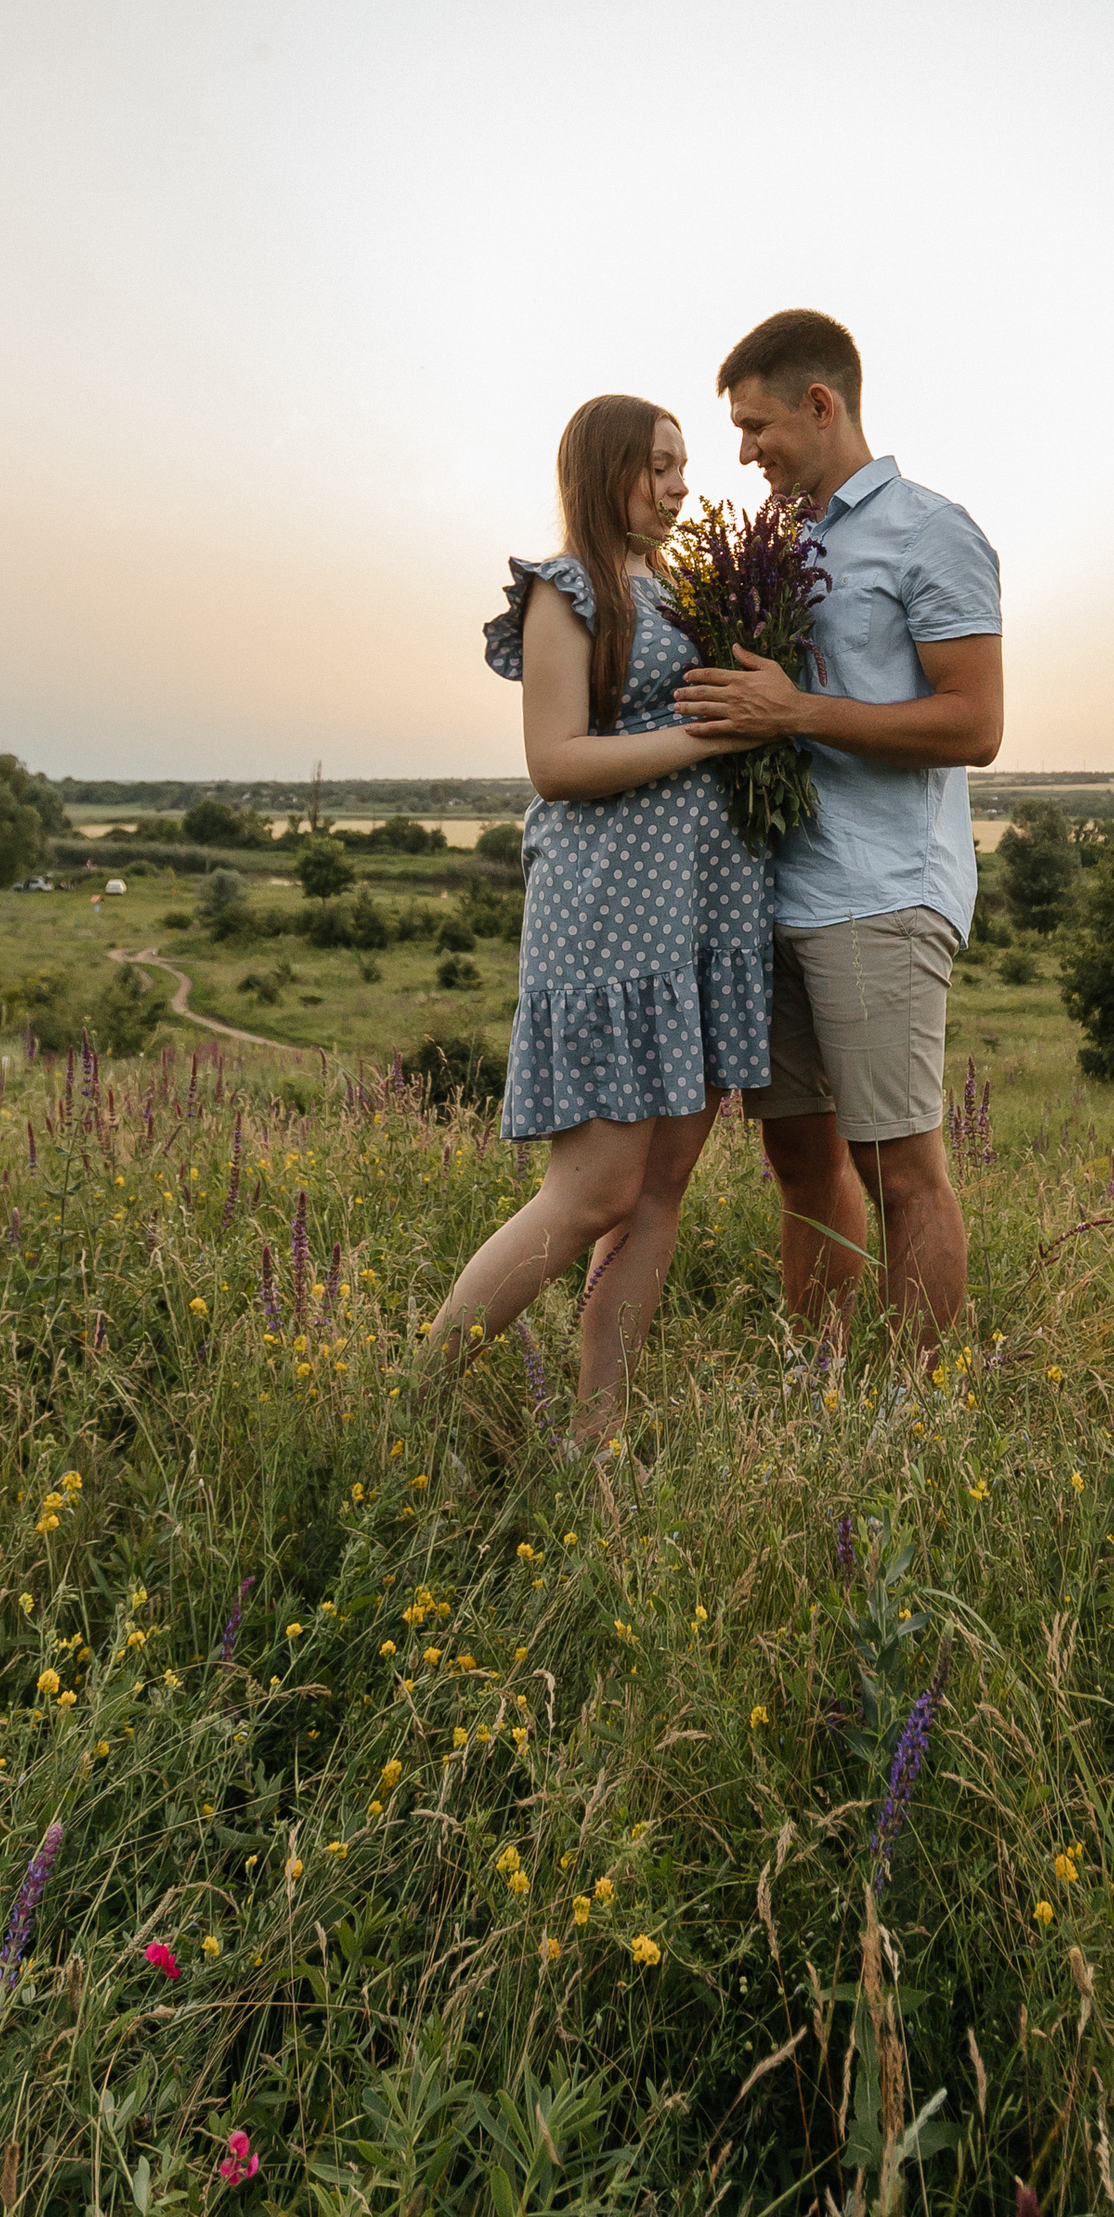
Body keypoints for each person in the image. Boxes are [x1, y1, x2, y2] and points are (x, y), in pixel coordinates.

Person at [422, 395, 771, 1432]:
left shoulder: (680, 590)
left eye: (682, 466)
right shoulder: (565, 590)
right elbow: (556, 762)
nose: (679, 486)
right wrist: (713, 737)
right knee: (591, 1195)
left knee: (657, 1196)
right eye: (658, 466)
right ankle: (411, 1405)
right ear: (604, 468)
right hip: (612, 918)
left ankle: (596, 1442)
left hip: (699, 921)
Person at [673, 308, 1001, 1351]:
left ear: (820, 404)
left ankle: (918, 1409)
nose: (744, 452)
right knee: (801, 1164)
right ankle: (819, 1392)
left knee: (899, 1169)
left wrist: (796, 712)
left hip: (881, 891)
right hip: (776, 894)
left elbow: (975, 725)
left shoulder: (930, 531)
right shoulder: (780, 543)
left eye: (756, 425)